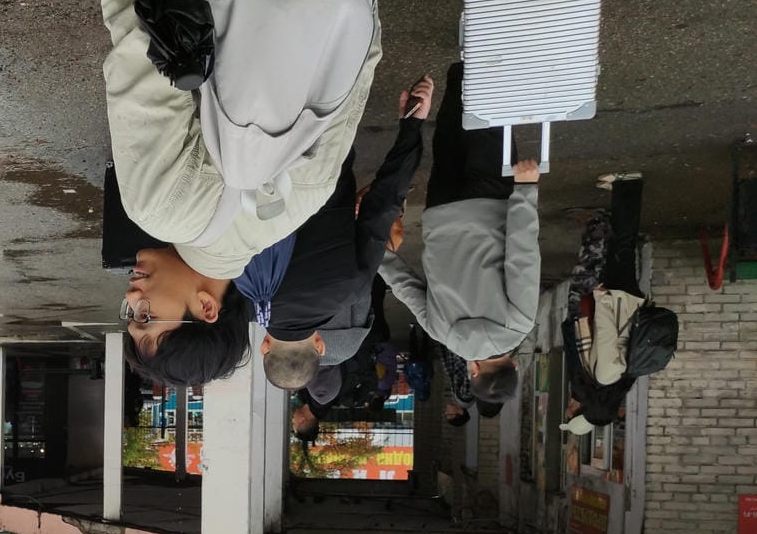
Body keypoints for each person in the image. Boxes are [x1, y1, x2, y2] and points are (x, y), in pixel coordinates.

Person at [87, 0, 382, 384]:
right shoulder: (161, 208)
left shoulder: (299, 207)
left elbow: (363, 58)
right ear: (205, 308)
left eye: (127, 316)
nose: (131, 299)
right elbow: (136, 26)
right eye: (146, 317)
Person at [256, 75, 431, 389]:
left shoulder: (350, 290)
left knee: (330, 69)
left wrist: (411, 126)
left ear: (319, 346)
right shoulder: (244, 296)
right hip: (261, 149)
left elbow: (382, 204)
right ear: (264, 347)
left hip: (328, 154)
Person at [380, 62, 540, 405]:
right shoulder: (443, 334)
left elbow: (522, 255)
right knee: (450, 138)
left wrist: (526, 192)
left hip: (491, 204)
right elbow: (405, 287)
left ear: (512, 363)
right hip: (441, 212)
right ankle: (460, 71)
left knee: (489, 125)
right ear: (474, 371)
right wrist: (375, 249)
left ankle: (488, 57)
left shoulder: (519, 324)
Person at [561, 177, 647, 437]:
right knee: (623, 246)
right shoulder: (607, 377)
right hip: (615, 304)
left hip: (620, 305)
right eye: (570, 412)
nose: (568, 408)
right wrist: (601, 298)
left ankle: (622, 194)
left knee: (621, 248)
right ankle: (627, 186)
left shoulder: (615, 383)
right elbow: (608, 336)